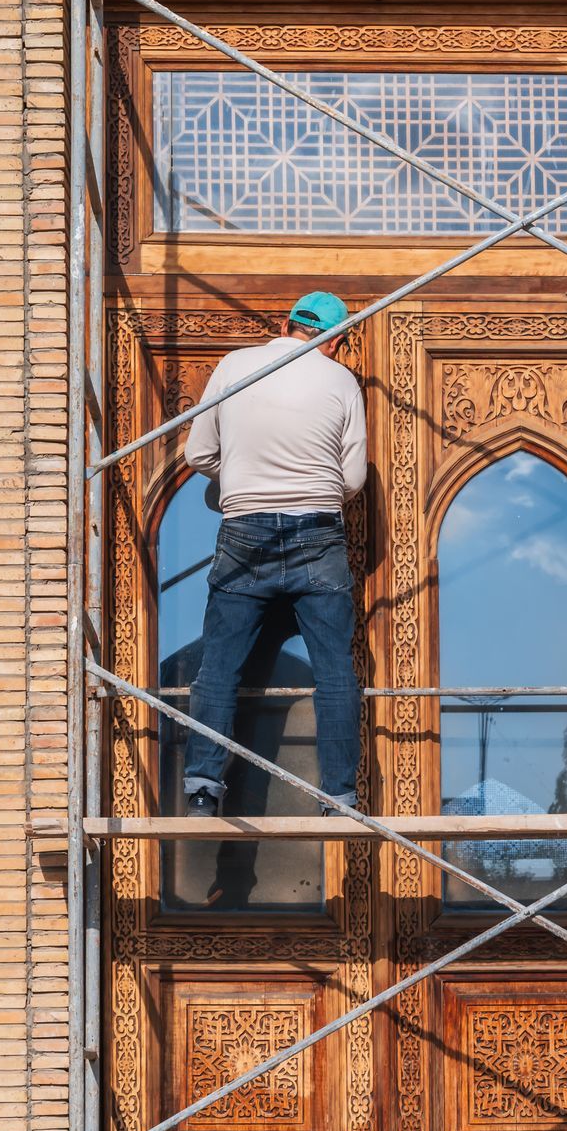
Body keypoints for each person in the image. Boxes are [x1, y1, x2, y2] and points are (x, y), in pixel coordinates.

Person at [180, 291, 368, 818]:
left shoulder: (235, 364)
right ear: (336, 342)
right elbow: (352, 478)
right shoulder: (341, 381)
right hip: (318, 533)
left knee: (219, 668)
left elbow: (198, 453)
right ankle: (338, 796)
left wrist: (243, 475)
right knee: (334, 671)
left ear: (284, 324)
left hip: (245, 530)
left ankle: (202, 788)